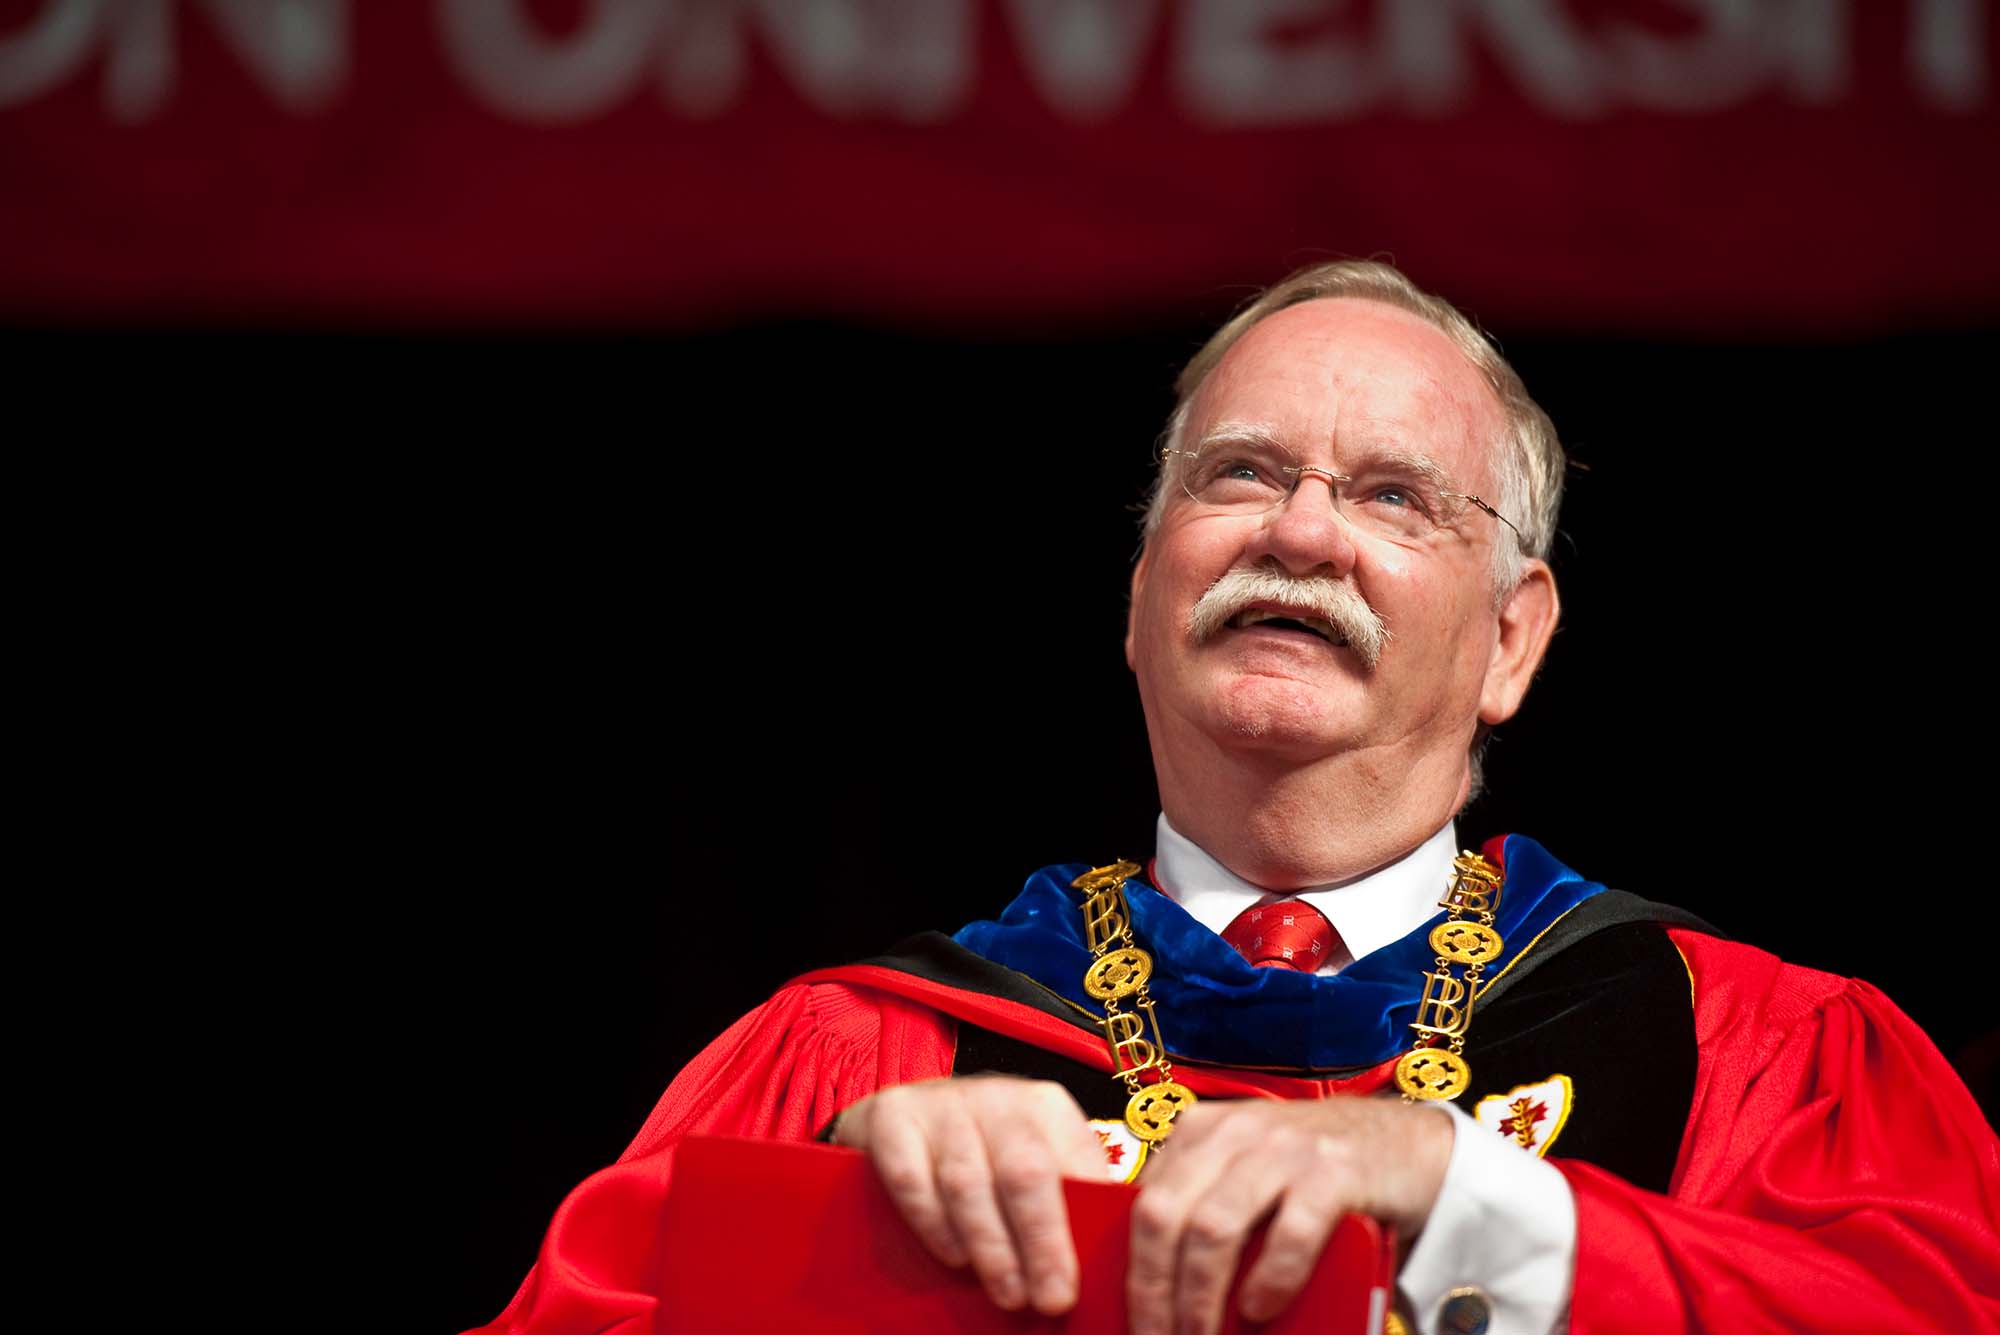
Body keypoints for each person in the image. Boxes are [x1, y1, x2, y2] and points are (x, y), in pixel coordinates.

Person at [470, 261, 1999, 1335]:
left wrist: (1462, 1193)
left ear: (1513, 638)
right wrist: (823, 1253)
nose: (1307, 533)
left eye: (1395, 495)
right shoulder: (858, 1069)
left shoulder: (1757, 1056)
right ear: (1141, 600)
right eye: (1240, 475)